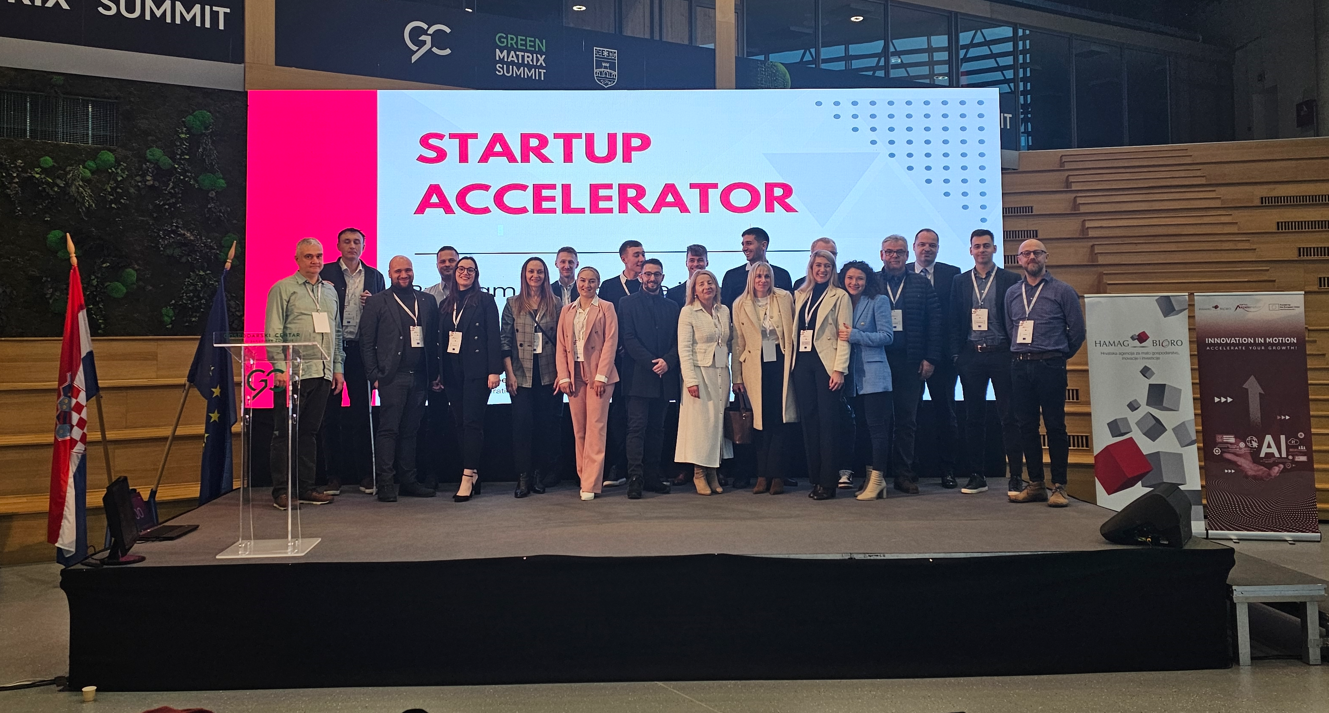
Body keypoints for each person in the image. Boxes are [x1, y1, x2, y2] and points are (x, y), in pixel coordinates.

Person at [265, 238, 345, 510]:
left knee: (309, 432)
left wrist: (337, 368)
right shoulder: (283, 288)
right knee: (284, 433)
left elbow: (337, 333)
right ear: (297, 259)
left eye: (319, 256)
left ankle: (306, 488)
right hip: (292, 373)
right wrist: (278, 367)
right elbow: (273, 331)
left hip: (322, 372)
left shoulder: (330, 292)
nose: (315, 261)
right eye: (309, 256)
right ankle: (281, 492)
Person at [1006, 239, 1085, 508]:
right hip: (1020, 366)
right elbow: (1010, 328)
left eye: (1037, 253)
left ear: (1046, 257)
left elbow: (1077, 332)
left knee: (1055, 426)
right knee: (1026, 427)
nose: (1032, 257)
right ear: (1019, 260)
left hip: (1050, 365)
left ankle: (1059, 486)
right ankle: (1036, 484)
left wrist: (1058, 354)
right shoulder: (1012, 293)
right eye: (1026, 253)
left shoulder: (1063, 291)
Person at [948, 229, 1024, 495]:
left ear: (994, 249)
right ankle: (976, 475)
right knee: (973, 418)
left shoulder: (1011, 279)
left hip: (1002, 353)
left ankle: (1016, 476)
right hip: (971, 356)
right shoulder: (959, 281)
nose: (981, 250)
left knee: (1009, 417)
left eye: (986, 246)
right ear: (970, 250)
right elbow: (954, 320)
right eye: (977, 246)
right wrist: (957, 356)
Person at [359, 256, 437, 502]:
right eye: (398, 271)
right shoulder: (377, 301)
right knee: (389, 430)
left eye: (408, 270)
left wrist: (435, 374)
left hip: (420, 376)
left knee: (411, 431)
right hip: (392, 377)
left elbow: (434, 340)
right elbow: (366, 342)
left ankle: (408, 482)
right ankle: (385, 483)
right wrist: (374, 375)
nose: (404, 275)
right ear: (390, 273)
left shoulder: (427, 300)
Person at [318, 227, 386, 495]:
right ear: (338, 246)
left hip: (361, 352)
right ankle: (333, 476)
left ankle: (366, 475)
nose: (352, 246)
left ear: (364, 246)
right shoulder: (325, 273)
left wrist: (374, 304)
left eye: (357, 242)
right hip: (331, 350)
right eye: (346, 241)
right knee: (329, 415)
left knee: (362, 414)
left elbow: (384, 315)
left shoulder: (375, 276)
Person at [879, 235, 943, 495]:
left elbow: (935, 322)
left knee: (907, 421)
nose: (894, 256)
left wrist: (931, 358)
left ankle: (904, 475)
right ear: (881, 255)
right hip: (878, 362)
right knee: (878, 421)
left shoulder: (921, 283)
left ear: (907, 256)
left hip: (910, 361)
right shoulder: (872, 282)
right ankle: (876, 475)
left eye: (899, 252)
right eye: (889, 251)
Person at [438, 256, 501, 502]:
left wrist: (494, 371)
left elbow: (493, 336)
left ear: (476, 274)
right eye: (461, 269)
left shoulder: (485, 300)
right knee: (460, 423)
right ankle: (473, 473)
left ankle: (467, 475)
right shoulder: (446, 304)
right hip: (452, 371)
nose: (465, 273)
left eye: (470, 270)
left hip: (477, 371)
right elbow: (440, 341)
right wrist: (439, 373)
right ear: (454, 273)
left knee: (472, 422)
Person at [790, 250, 852, 500]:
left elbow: (844, 335)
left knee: (828, 423)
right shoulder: (800, 294)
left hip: (827, 364)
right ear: (811, 267)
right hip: (801, 363)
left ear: (832, 269)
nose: (822, 270)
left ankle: (828, 482)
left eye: (827, 266)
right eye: (818, 265)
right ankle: (815, 477)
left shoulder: (840, 296)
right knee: (809, 421)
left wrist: (840, 369)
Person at [617, 258, 680, 499]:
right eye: (648, 274)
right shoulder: (626, 303)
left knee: (657, 429)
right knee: (636, 429)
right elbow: (628, 339)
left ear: (662, 277)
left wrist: (668, 361)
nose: (652, 278)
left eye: (657, 274)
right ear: (640, 276)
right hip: (638, 377)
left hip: (664, 377)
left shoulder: (673, 306)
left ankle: (652, 476)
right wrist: (653, 362)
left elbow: (678, 340)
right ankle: (635, 478)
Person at [731, 262, 797, 495]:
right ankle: (762, 475)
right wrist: (736, 376)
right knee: (759, 421)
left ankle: (777, 474)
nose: (762, 280)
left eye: (766, 276)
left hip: (780, 362)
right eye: (758, 276)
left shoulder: (784, 298)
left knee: (779, 419)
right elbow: (738, 342)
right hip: (754, 365)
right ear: (751, 278)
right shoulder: (740, 303)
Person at [556, 267, 619, 501]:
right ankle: (584, 478)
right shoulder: (567, 310)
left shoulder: (606, 307)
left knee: (596, 428)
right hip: (574, 374)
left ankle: (592, 483)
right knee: (579, 430)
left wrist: (602, 376)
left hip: (598, 375)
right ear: (577, 283)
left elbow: (611, 342)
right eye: (583, 280)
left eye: (592, 281)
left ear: (598, 283)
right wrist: (564, 376)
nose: (586, 285)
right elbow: (561, 345)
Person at [502, 257, 562, 498]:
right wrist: (509, 374)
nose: (535, 276)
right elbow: (505, 341)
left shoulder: (556, 303)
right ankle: (523, 476)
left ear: (546, 275)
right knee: (522, 427)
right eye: (531, 271)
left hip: (548, 374)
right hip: (521, 375)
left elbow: (562, 342)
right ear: (524, 275)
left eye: (539, 272)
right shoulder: (512, 303)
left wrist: (562, 373)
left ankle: (538, 474)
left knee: (545, 427)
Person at [907, 228, 962, 489]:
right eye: (922, 244)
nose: (927, 249)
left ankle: (947, 469)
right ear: (914, 247)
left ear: (938, 248)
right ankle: (911, 469)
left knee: (945, 414)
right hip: (909, 358)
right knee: (910, 416)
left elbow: (953, 318)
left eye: (932, 245)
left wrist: (941, 355)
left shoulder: (952, 274)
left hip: (942, 360)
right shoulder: (902, 271)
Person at [836, 261, 895, 500]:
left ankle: (879, 480)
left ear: (867, 280)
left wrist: (855, 335)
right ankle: (870, 480)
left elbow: (887, 336)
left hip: (874, 376)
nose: (854, 282)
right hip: (853, 378)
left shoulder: (878, 301)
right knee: (862, 430)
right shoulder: (842, 302)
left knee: (877, 431)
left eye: (860, 278)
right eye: (850, 278)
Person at [675, 269, 734, 495]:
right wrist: (690, 380)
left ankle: (713, 471)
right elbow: (684, 349)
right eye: (701, 284)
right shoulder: (688, 312)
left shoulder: (723, 310)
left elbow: (727, 343)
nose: (707, 287)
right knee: (701, 426)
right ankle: (699, 472)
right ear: (694, 290)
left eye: (710, 282)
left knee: (717, 424)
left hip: (721, 372)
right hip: (699, 374)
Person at [598, 239, 645, 486]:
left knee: (640, 416)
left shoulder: (649, 284)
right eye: (636, 255)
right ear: (623, 258)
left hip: (642, 362)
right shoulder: (608, 287)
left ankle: (643, 467)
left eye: (643, 254)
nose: (641, 259)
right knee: (617, 414)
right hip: (615, 362)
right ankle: (618, 465)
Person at [721, 227, 794, 308]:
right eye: (743, 244)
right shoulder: (732, 276)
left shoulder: (782, 275)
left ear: (763, 245)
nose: (744, 248)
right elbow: (726, 309)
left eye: (749, 243)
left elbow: (788, 307)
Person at [666, 244, 709, 308]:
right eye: (692, 260)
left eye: (700, 260)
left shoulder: (717, 293)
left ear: (707, 263)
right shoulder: (672, 294)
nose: (696, 264)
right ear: (686, 263)